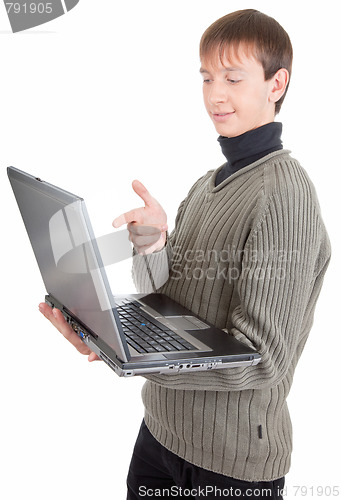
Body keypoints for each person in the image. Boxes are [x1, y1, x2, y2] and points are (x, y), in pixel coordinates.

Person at [39, 9, 331, 499]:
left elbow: (261, 359)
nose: (215, 94)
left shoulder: (284, 193)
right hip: (161, 434)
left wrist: (134, 357)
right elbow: (168, 302)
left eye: (234, 78)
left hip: (231, 465)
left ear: (276, 84)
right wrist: (152, 245)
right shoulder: (206, 185)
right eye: (207, 78)